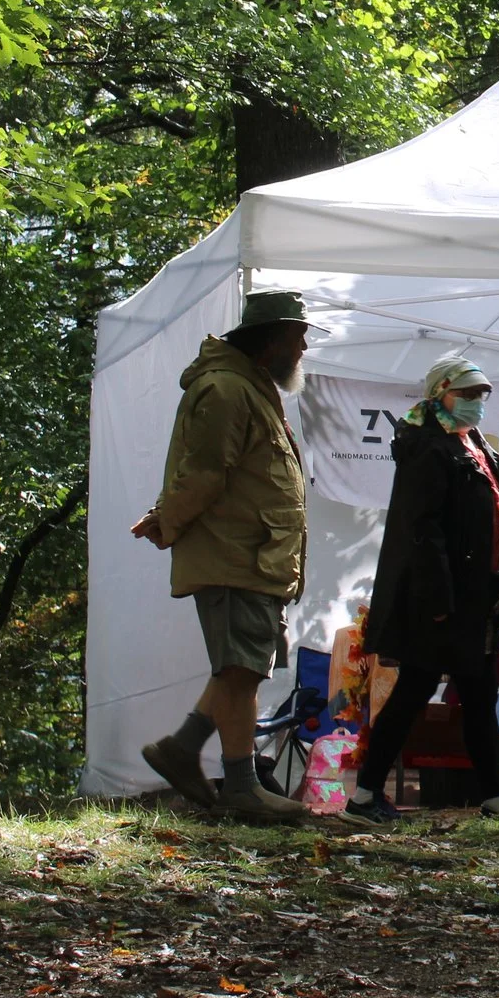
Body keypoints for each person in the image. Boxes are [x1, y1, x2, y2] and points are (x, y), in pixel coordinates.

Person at [131, 289, 314, 823]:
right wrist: (166, 519)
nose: (303, 347)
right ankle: (240, 786)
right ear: (273, 338)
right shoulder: (228, 390)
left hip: (253, 557)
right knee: (240, 670)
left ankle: (183, 749)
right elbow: (206, 472)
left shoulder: (249, 388)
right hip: (237, 557)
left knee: (243, 667)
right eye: (298, 336)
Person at [343, 350, 499, 823]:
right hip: (442, 599)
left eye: (481, 394)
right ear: (439, 394)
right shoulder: (426, 446)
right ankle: (365, 796)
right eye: (467, 393)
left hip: (476, 594)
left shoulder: (476, 444)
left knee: (479, 694)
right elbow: (422, 530)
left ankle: (495, 797)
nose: (476, 402)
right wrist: (438, 600)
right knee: (414, 691)